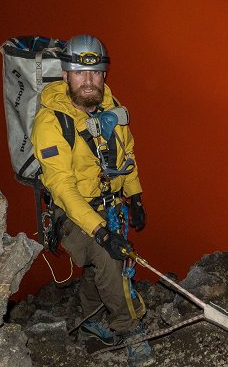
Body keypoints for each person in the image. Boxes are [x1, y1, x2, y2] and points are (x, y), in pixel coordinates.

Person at [31, 34, 154, 366]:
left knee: (100, 264)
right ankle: (129, 331)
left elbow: (125, 156)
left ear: (104, 75)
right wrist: (100, 232)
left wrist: (135, 195)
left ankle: (89, 321)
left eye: (96, 73)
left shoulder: (113, 111)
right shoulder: (50, 121)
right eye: (80, 73)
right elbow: (61, 186)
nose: (89, 81)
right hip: (71, 214)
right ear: (66, 75)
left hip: (109, 204)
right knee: (107, 255)